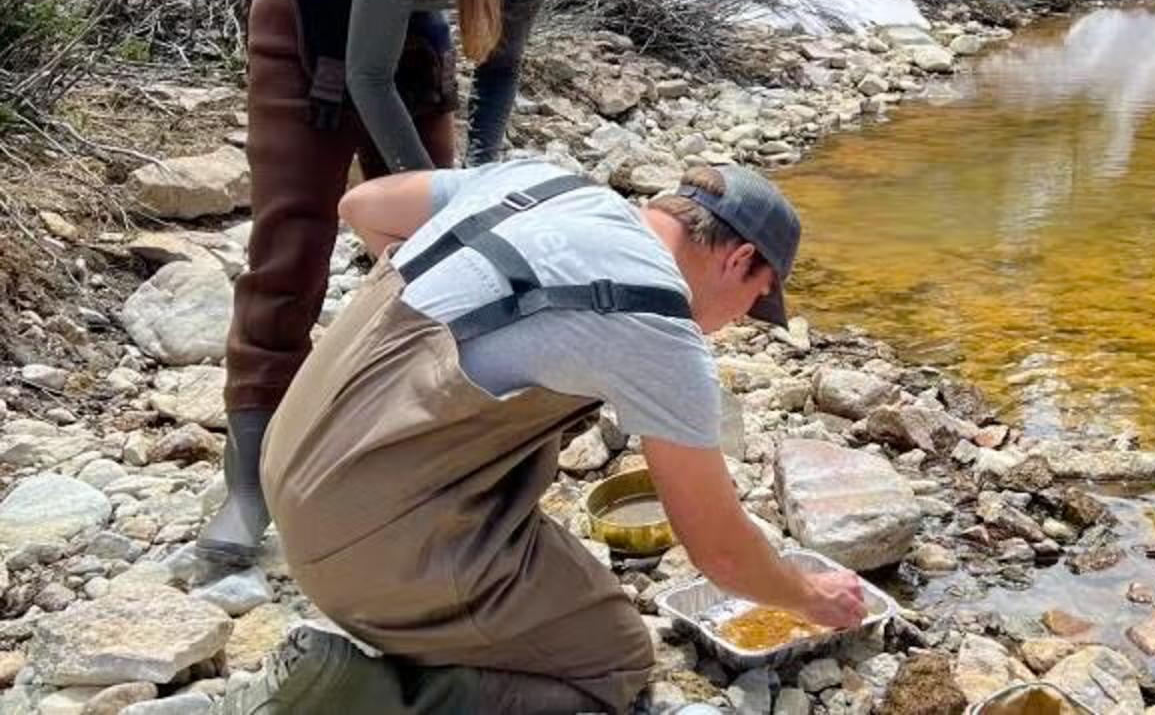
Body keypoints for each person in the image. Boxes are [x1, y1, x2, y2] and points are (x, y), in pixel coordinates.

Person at [219, 161, 867, 714]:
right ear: (740, 258)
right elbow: (720, 554)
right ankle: (351, 692)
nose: (732, 326)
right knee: (614, 657)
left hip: (289, 454)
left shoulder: (545, 181)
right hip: (357, 537)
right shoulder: (657, 324)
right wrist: (810, 597)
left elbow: (363, 207)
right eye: (755, 301)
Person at [200, 0, 619, 567]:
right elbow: (363, 73)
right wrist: (442, 193)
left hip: (404, 23)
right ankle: (248, 478)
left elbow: (500, 68)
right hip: (307, 15)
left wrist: (483, 184)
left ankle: (398, 442)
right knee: (295, 235)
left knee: (442, 252)